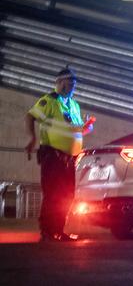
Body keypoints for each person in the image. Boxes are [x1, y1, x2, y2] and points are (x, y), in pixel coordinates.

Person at [25, 67, 94, 241]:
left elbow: (73, 130)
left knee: (67, 195)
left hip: (69, 158)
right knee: (52, 194)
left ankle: (58, 229)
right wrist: (32, 138)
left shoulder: (74, 105)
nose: (72, 86)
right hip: (53, 155)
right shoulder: (50, 100)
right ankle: (47, 231)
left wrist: (86, 128)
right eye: (69, 82)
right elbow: (30, 116)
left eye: (74, 83)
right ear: (59, 82)